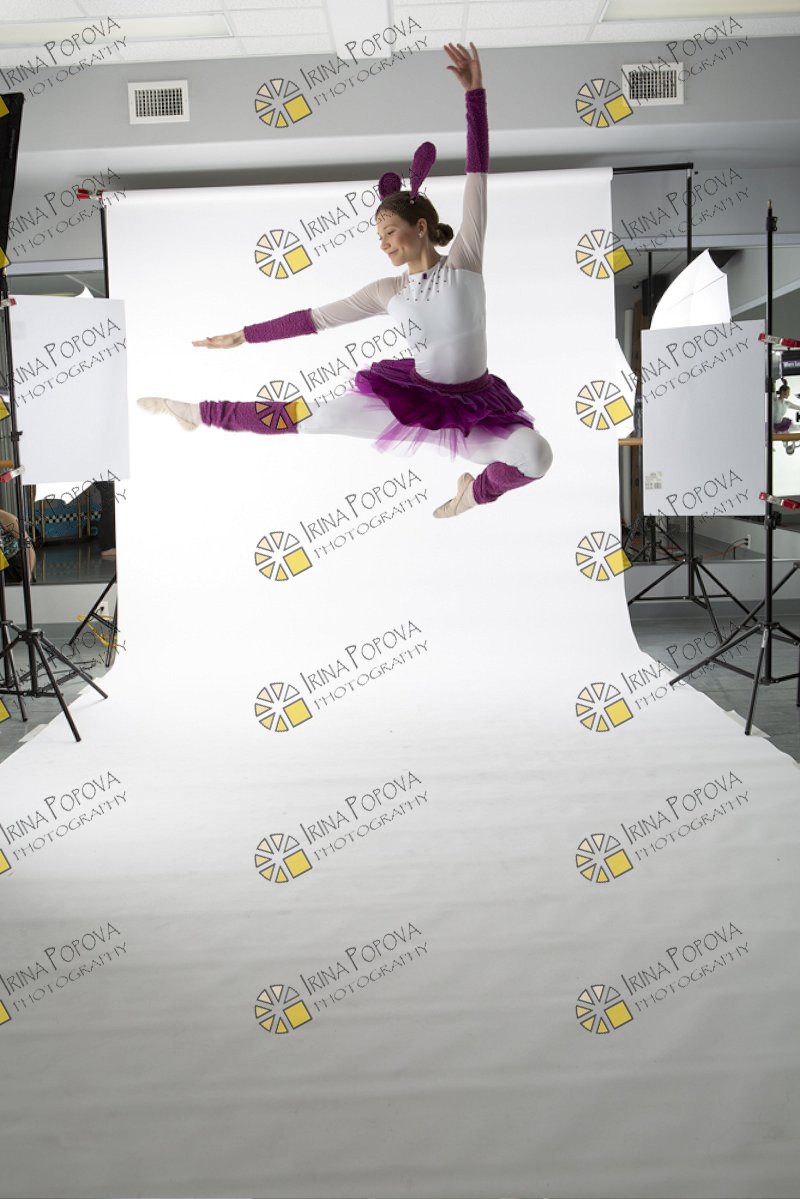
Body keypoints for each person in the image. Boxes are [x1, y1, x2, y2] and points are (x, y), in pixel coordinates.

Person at [139, 42, 552, 519]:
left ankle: (472, 495)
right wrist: (242, 336)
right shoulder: (387, 292)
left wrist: (474, 95)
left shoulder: (464, 261)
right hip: (411, 402)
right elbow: (313, 319)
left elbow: (477, 173)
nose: (384, 244)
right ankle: (195, 412)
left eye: (389, 232)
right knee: (308, 417)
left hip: (475, 408)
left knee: (537, 455)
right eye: (379, 236)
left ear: (420, 227)